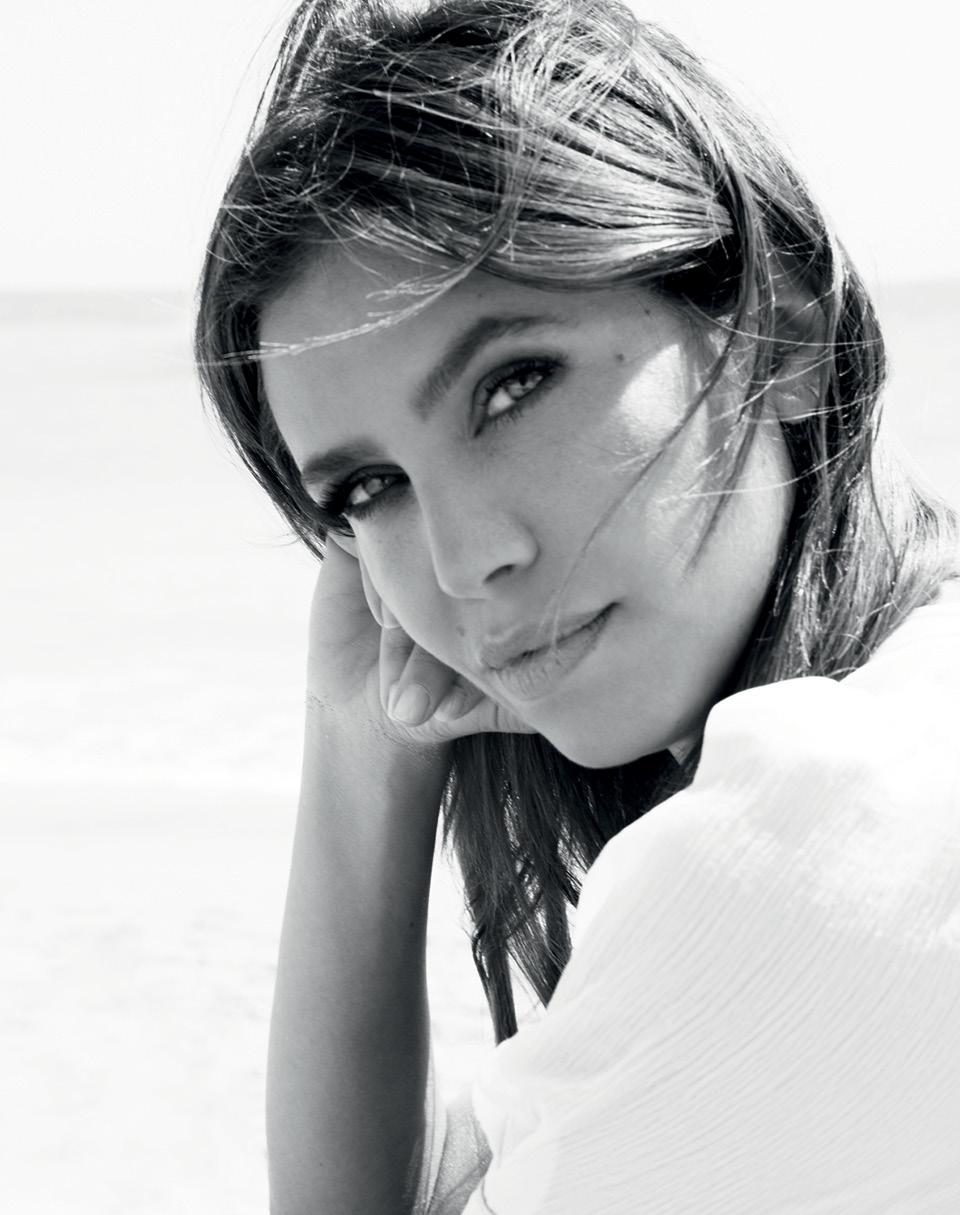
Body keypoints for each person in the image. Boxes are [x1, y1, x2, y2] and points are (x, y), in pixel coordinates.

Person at [194, 0, 960, 1209]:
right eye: (369, 490)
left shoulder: (810, 850)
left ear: (781, 336)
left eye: (514, 387)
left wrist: (361, 769)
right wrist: (363, 734)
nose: (463, 563)